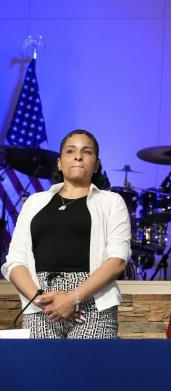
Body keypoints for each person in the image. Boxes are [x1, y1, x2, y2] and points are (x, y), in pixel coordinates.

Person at [1, 129, 131, 338]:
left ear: (96, 164)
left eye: (86, 152)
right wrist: (40, 299)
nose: (78, 156)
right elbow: (15, 261)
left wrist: (72, 298)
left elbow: (117, 261)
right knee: (42, 371)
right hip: (42, 304)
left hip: (93, 305)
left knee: (86, 370)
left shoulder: (111, 202)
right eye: (70, 151)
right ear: (60, 163)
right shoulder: (34, 202)